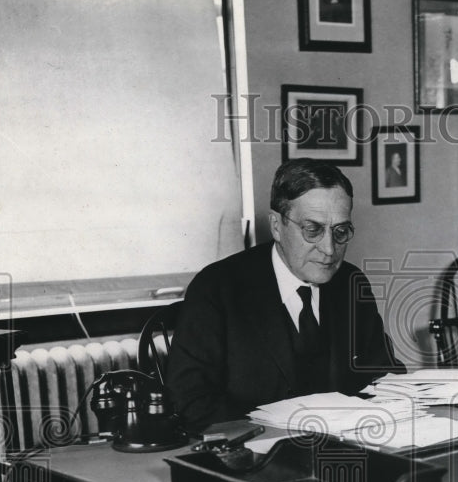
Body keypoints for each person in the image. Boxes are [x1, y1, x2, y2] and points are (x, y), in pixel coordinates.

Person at [165, 158, 404, 432]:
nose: (328, 249)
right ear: (277, 226)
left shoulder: (350, 282)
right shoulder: (217, 288)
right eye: (312, 230)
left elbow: (384, 376)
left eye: (340, 231)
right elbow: (190, 401)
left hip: (345, 447)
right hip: (254, 457)